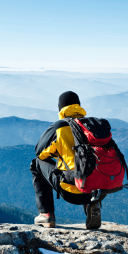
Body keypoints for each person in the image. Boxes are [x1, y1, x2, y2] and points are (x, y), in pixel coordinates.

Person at [30, 91, 106, 229]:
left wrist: (61, 151)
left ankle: (46, 215)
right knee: (89, 169)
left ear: (61, 108)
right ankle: (92, 205)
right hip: (98, 192)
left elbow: (40, 153)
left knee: (36, 164)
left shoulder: (60, 127)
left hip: (71, 190)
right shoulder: (93, 126)